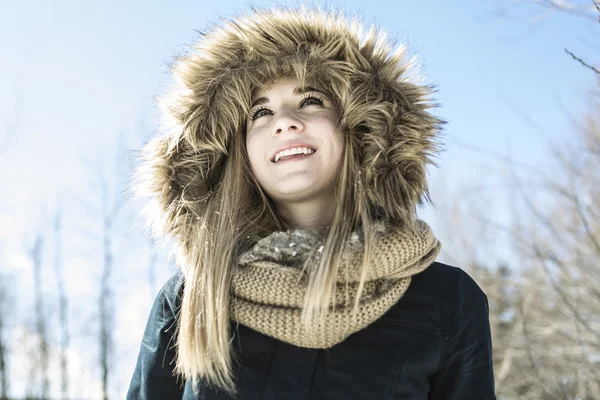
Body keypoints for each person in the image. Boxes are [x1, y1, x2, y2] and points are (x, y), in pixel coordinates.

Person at [127, 6, 496, 399]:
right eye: (260, 111)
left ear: (361, 129)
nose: (284, 121)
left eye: (310, 101)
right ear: (239, 153)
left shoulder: (446, 300)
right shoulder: (189, 300)